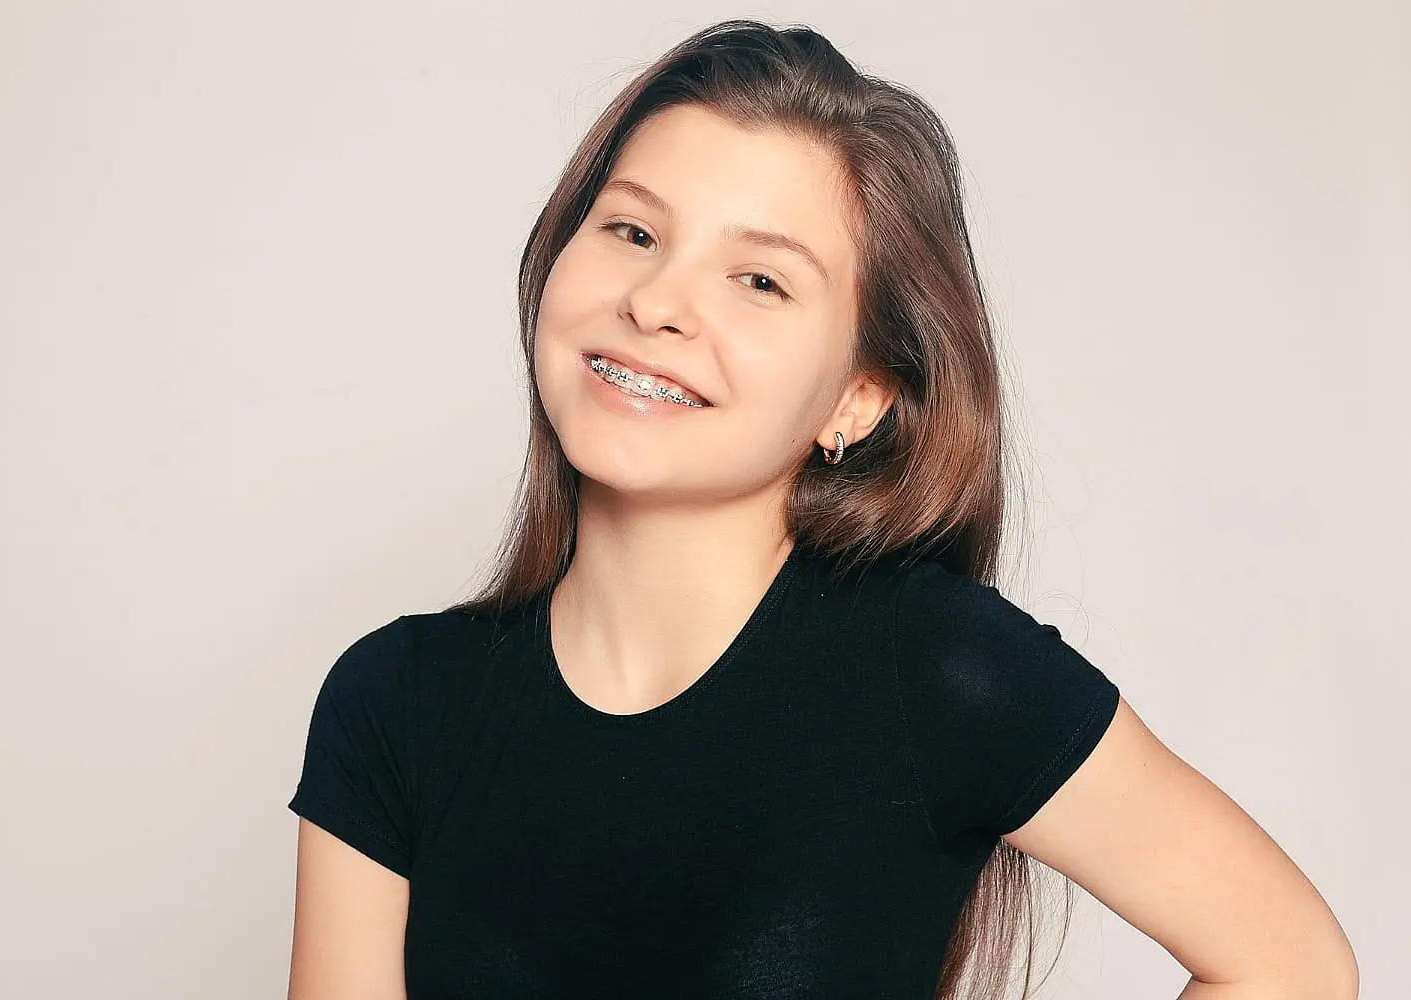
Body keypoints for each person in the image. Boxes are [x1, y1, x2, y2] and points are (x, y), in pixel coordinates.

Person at [284, 19, 1357, 1000]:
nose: (656, 303)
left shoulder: (937, 668)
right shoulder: (395, 703)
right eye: (631, 231)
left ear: (858, 395)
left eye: (760, 281)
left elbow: (1288, 962)